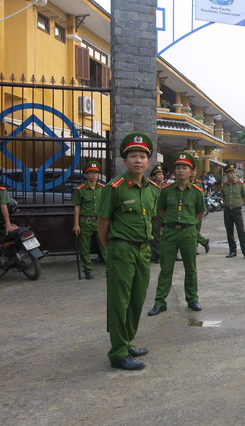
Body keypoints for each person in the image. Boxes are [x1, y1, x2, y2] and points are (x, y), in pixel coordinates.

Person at [98, 133, 160, 371]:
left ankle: (127, 342)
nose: (138, 160)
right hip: (121, 249)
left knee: (136, 300)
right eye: (133, 155)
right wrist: (110, 252)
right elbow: (102, 223)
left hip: (143, 250)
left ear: (148, 161)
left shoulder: (152, 189)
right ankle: (118, 353)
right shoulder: (115, 188)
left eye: (142, 156)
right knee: (119, 302)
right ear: (125, 160)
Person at [148, 152, 207, 316]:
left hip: (188, 232)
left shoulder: (196, 191)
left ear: (191, 171)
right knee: (165, 268)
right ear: (174, 171)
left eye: (185, 167)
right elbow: (160, 211)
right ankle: (160, 302)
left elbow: (200, 213)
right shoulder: (166, 190)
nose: (181, 170)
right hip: (169, 233)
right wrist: (171, 222)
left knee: (191, 268)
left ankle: (192, 299)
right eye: (178, 167)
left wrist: (189, 224)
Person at [72, 161, 106, 280]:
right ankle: (88, 270)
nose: (94, 175)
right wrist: (76, 224)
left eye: (96, 173)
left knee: (104, 245)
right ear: (86, 174)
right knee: (84, 247)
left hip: (99, 221)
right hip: (86, 221)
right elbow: (77, 206)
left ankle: (110, 266)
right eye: (91, 173)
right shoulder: (80, 190)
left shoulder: (103, 188)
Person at [220, 163, 245, 259]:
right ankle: (232, 251)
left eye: (234, 173)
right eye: (230, 173)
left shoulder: (241, 185)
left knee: (241, 231)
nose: (232, 175)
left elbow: (244, 197)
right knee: (229, 232)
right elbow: (223, 197)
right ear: (227, 175)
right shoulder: (224, 186)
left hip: (237, 211)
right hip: (227, 211)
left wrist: (239, 204)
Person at [149, 164, 165, 263]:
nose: (161, 176)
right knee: (155, 236)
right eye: (158, 174)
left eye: (162, 174)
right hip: (155, 215)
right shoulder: (151, 188)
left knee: (168, 235)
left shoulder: (165, 188)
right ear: (154, 177)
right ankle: (157, 255)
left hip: (165, 214)